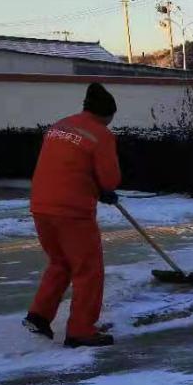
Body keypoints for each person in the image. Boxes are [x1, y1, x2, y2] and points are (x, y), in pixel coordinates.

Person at [24, 83, 122, 347]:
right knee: (88, 270)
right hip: (72, 212)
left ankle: (39, 315)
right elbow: (110, 179)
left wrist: (96, 187)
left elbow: (68, 165)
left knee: (60, 262)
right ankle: (80, 330)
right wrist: (105, 190)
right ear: (107, 113)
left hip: (41, 206)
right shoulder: (101, 134)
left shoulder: (59, 126)